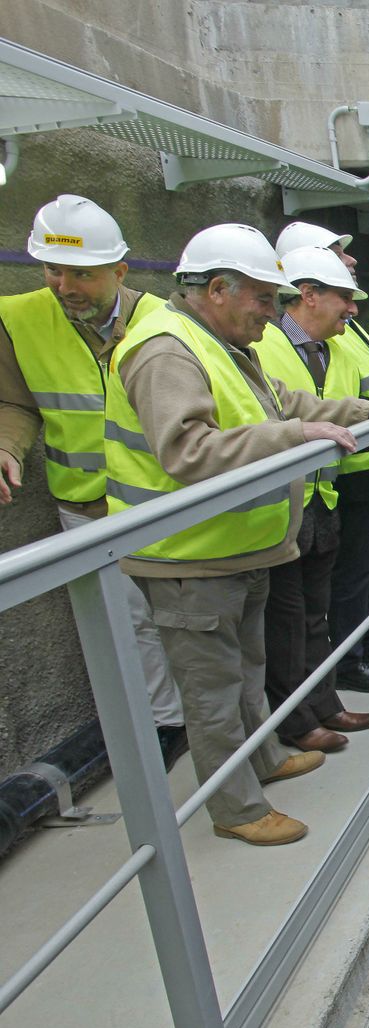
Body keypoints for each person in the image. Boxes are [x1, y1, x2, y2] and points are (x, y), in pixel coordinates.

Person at [105, 223, 369, 846]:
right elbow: (187, 450)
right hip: (188, 557)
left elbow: (286, 403)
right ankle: (238, 809)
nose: (273, 315)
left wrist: (365, 410)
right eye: (265, 299)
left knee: (247, 668)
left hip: (236, 547)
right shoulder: (166, 351)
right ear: (218, 288)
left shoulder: (215, 341)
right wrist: (293, 439)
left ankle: (264, 757)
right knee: (213, 690)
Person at [0, 195, 185, 736]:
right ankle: (165, 729)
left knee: (183, 619)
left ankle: (198, 722)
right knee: (126, 625)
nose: (64, 286)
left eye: (81, 273)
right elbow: (15, 402)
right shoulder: (18, 319)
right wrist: (8, 447)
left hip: (161, 502)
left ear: (119, 271)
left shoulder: (163, 319)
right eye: (53, 270)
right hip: (84, 505)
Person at [254, 246, 369, 752]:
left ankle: (326, 703)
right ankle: (296, 722)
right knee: (286, 619)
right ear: (308, 295)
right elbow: (275, 414)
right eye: (344, 297)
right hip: (282, 508)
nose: (352, 308)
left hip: (321, 497)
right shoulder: (263, 344)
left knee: (314, 612)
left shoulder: (326, 347)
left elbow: (312, 403)